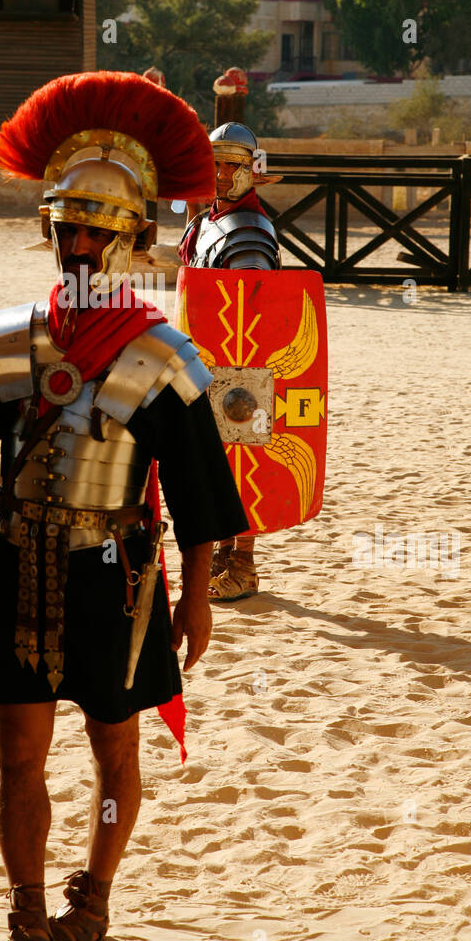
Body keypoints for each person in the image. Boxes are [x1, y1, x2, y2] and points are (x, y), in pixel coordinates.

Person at [0, 71, 249, 941]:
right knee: (17, 753)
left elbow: (206, 499)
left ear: (130, 238)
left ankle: (90, 898)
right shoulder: (3, 341)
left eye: (96, 229)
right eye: (67, 227)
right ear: (48, 230)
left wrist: (198, 595)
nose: (79, 244)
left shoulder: (163, 358)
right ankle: (24, 908)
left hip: (114, 578)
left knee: (113, 752)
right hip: (13, 562)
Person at [177, 122, 282, 602]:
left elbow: (251, 304)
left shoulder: (249, 232)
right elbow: (195, 280)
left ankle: (243, 563)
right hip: (206, 363)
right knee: (215, 463)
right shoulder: (207, 221)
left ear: (250, 172)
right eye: (213, 163)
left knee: (242, 456)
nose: (219, 174)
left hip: (240, 371)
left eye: (231, 165)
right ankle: (223, 555)